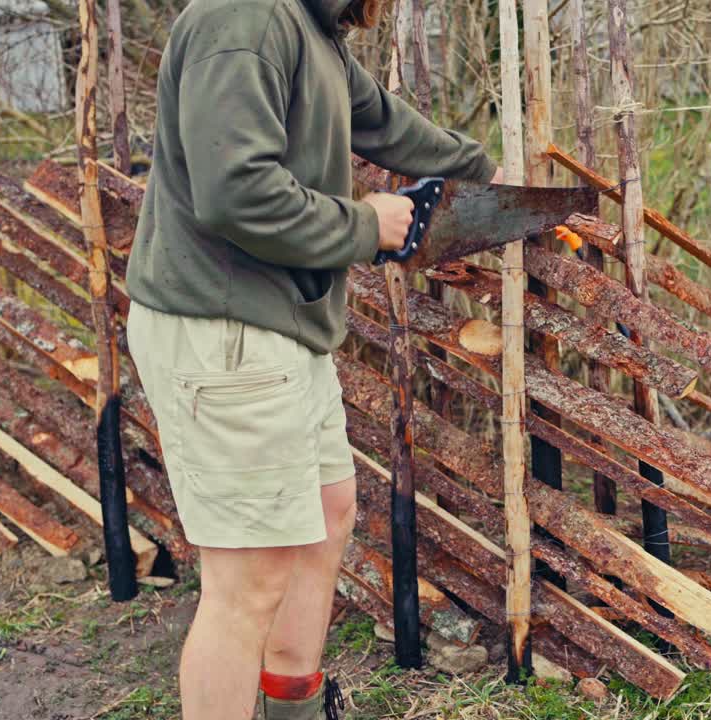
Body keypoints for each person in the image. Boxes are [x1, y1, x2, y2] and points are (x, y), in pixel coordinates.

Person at [124, 0, 500, 716]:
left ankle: (291, 705)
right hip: (224, 325)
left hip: (277, 325)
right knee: (248, 582)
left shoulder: (307, 24)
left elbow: (382, 120)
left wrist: (490, 174)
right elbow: (234, 194)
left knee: (327, 515)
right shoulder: (244, 18)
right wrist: (368, 225)